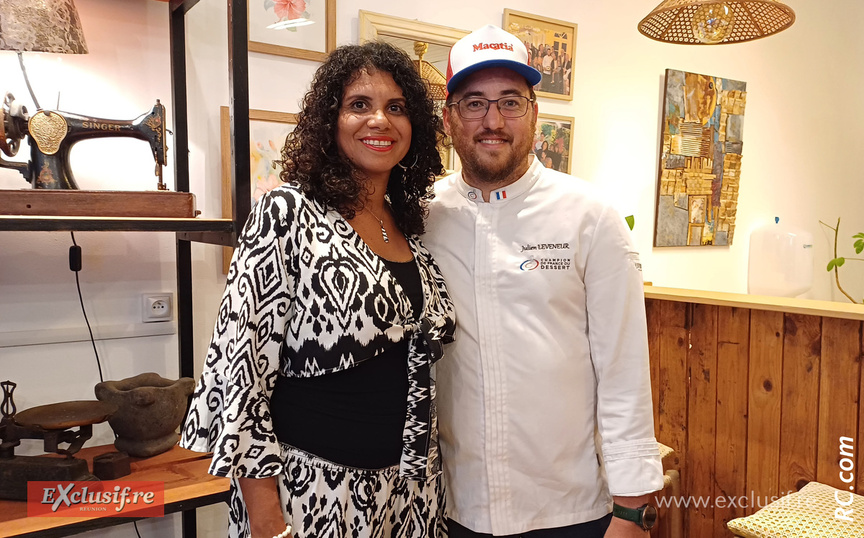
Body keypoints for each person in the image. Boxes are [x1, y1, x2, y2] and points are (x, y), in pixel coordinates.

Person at [181, 41, 455, 538]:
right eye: (359, 105)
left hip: (412, 493)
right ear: (330, 120)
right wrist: (266, 518)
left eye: (397, 108)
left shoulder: (411, 222)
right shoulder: (287, 213)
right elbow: (239, 373)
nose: (380, 120)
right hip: (316, 494)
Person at [423, 25, 664, 538]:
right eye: (473, 103)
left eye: (510, 101)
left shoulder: (589, 217)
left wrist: (632, 512)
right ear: (448, 119)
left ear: (534, 113)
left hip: (570, 511)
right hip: (455, 508)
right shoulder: (424, 219)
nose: (493, 120)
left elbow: (624, 371)